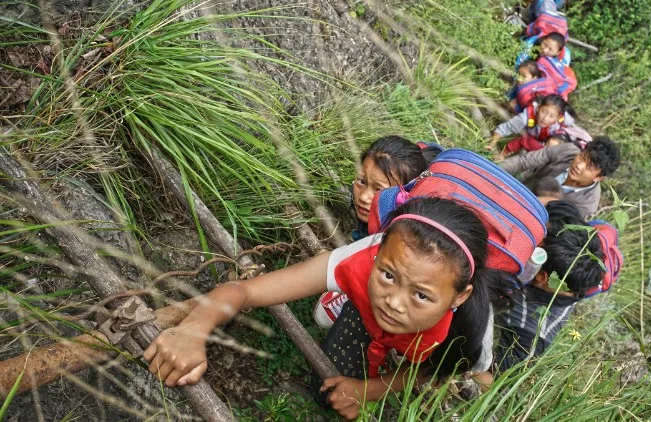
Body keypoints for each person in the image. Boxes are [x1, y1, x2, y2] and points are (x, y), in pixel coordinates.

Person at [143, 197, 513, 420]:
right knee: (328, 391)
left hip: (432, 349)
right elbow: (244, 291)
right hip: (366, 311)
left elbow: (439, 371)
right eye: (386, 274)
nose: (395, 303)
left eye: (421, 296)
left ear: (458, 297)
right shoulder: (358, 260)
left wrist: (372, 389)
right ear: (377, 252)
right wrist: (194, 327)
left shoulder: (469, 327)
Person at [317, 136, 440, 328]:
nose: (364, 197)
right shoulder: (390, 214)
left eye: (378, 189)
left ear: (403, 196)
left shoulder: (411, 238)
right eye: (361, 181)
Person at [494, 200, 604, 371]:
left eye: (534, 248)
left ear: (541, 276)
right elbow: (555, 204)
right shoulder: (568, 234)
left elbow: (495, 378)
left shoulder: (532, 333)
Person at [499, 135, 621, 218]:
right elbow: (523, 161)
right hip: (517, 189)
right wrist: (492, 170)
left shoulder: (587, 205)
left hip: (528, 217)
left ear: (598, 178)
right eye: (582, 157)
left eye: (588, 168)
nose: (579, 165)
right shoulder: (567, 151)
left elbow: (556, 225)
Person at [485, 94, 576, 155]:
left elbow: (571, 126)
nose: (545, 118)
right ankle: (503, 154)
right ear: (539, 108)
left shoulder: (565, 119)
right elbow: (505, 128)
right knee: (526, 140)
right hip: (534, 137)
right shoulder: (525, 117)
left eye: (552, 116)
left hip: (548, 139)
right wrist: (492, 143)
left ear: (558, 117)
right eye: (543, 111)